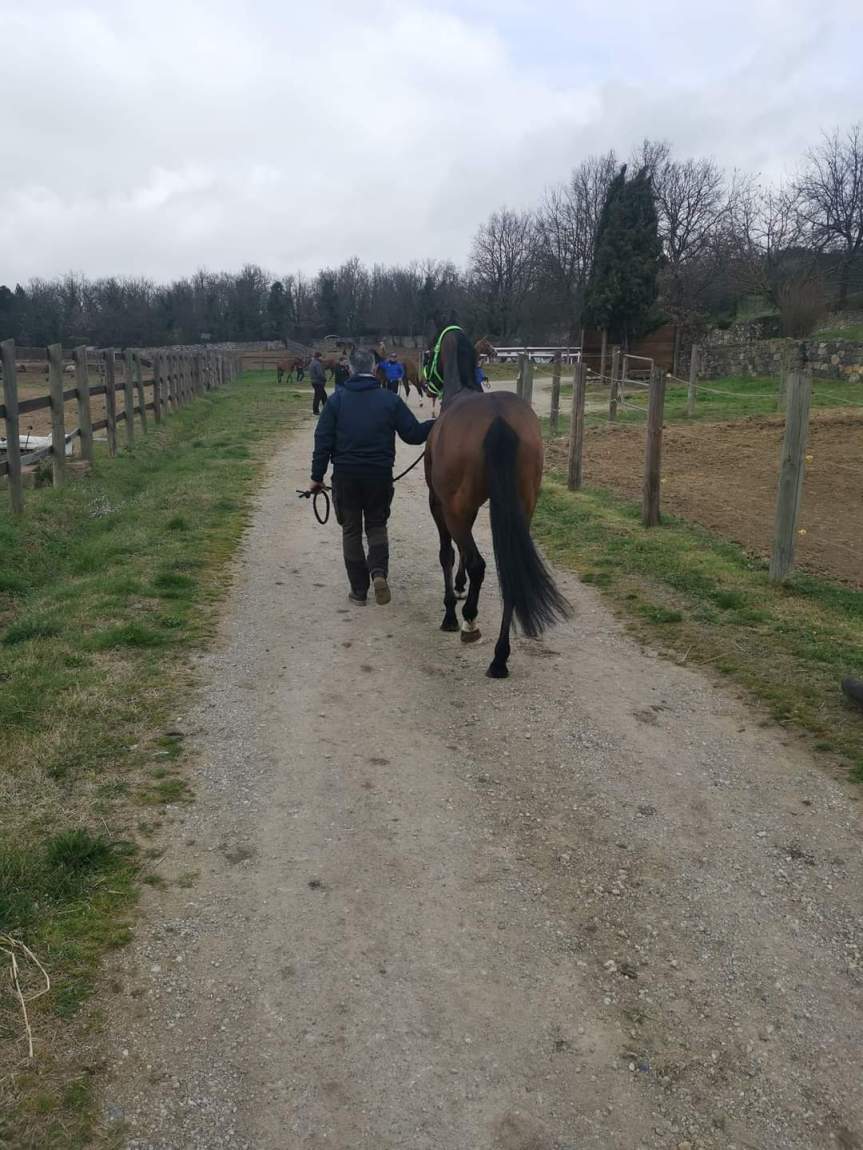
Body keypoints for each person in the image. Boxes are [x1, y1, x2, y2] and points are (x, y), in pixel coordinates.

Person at [310, 348, 434, 606]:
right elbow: (412, 434)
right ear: (375, 369)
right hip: (379, 476)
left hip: (346, 476)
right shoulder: (390, 400)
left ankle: (358, 590)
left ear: (351, 370)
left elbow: (323, 441)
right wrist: (438, 423)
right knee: (377, 525)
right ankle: (378, 572)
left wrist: (316, 477)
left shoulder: (336, 401)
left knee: (351, 530)